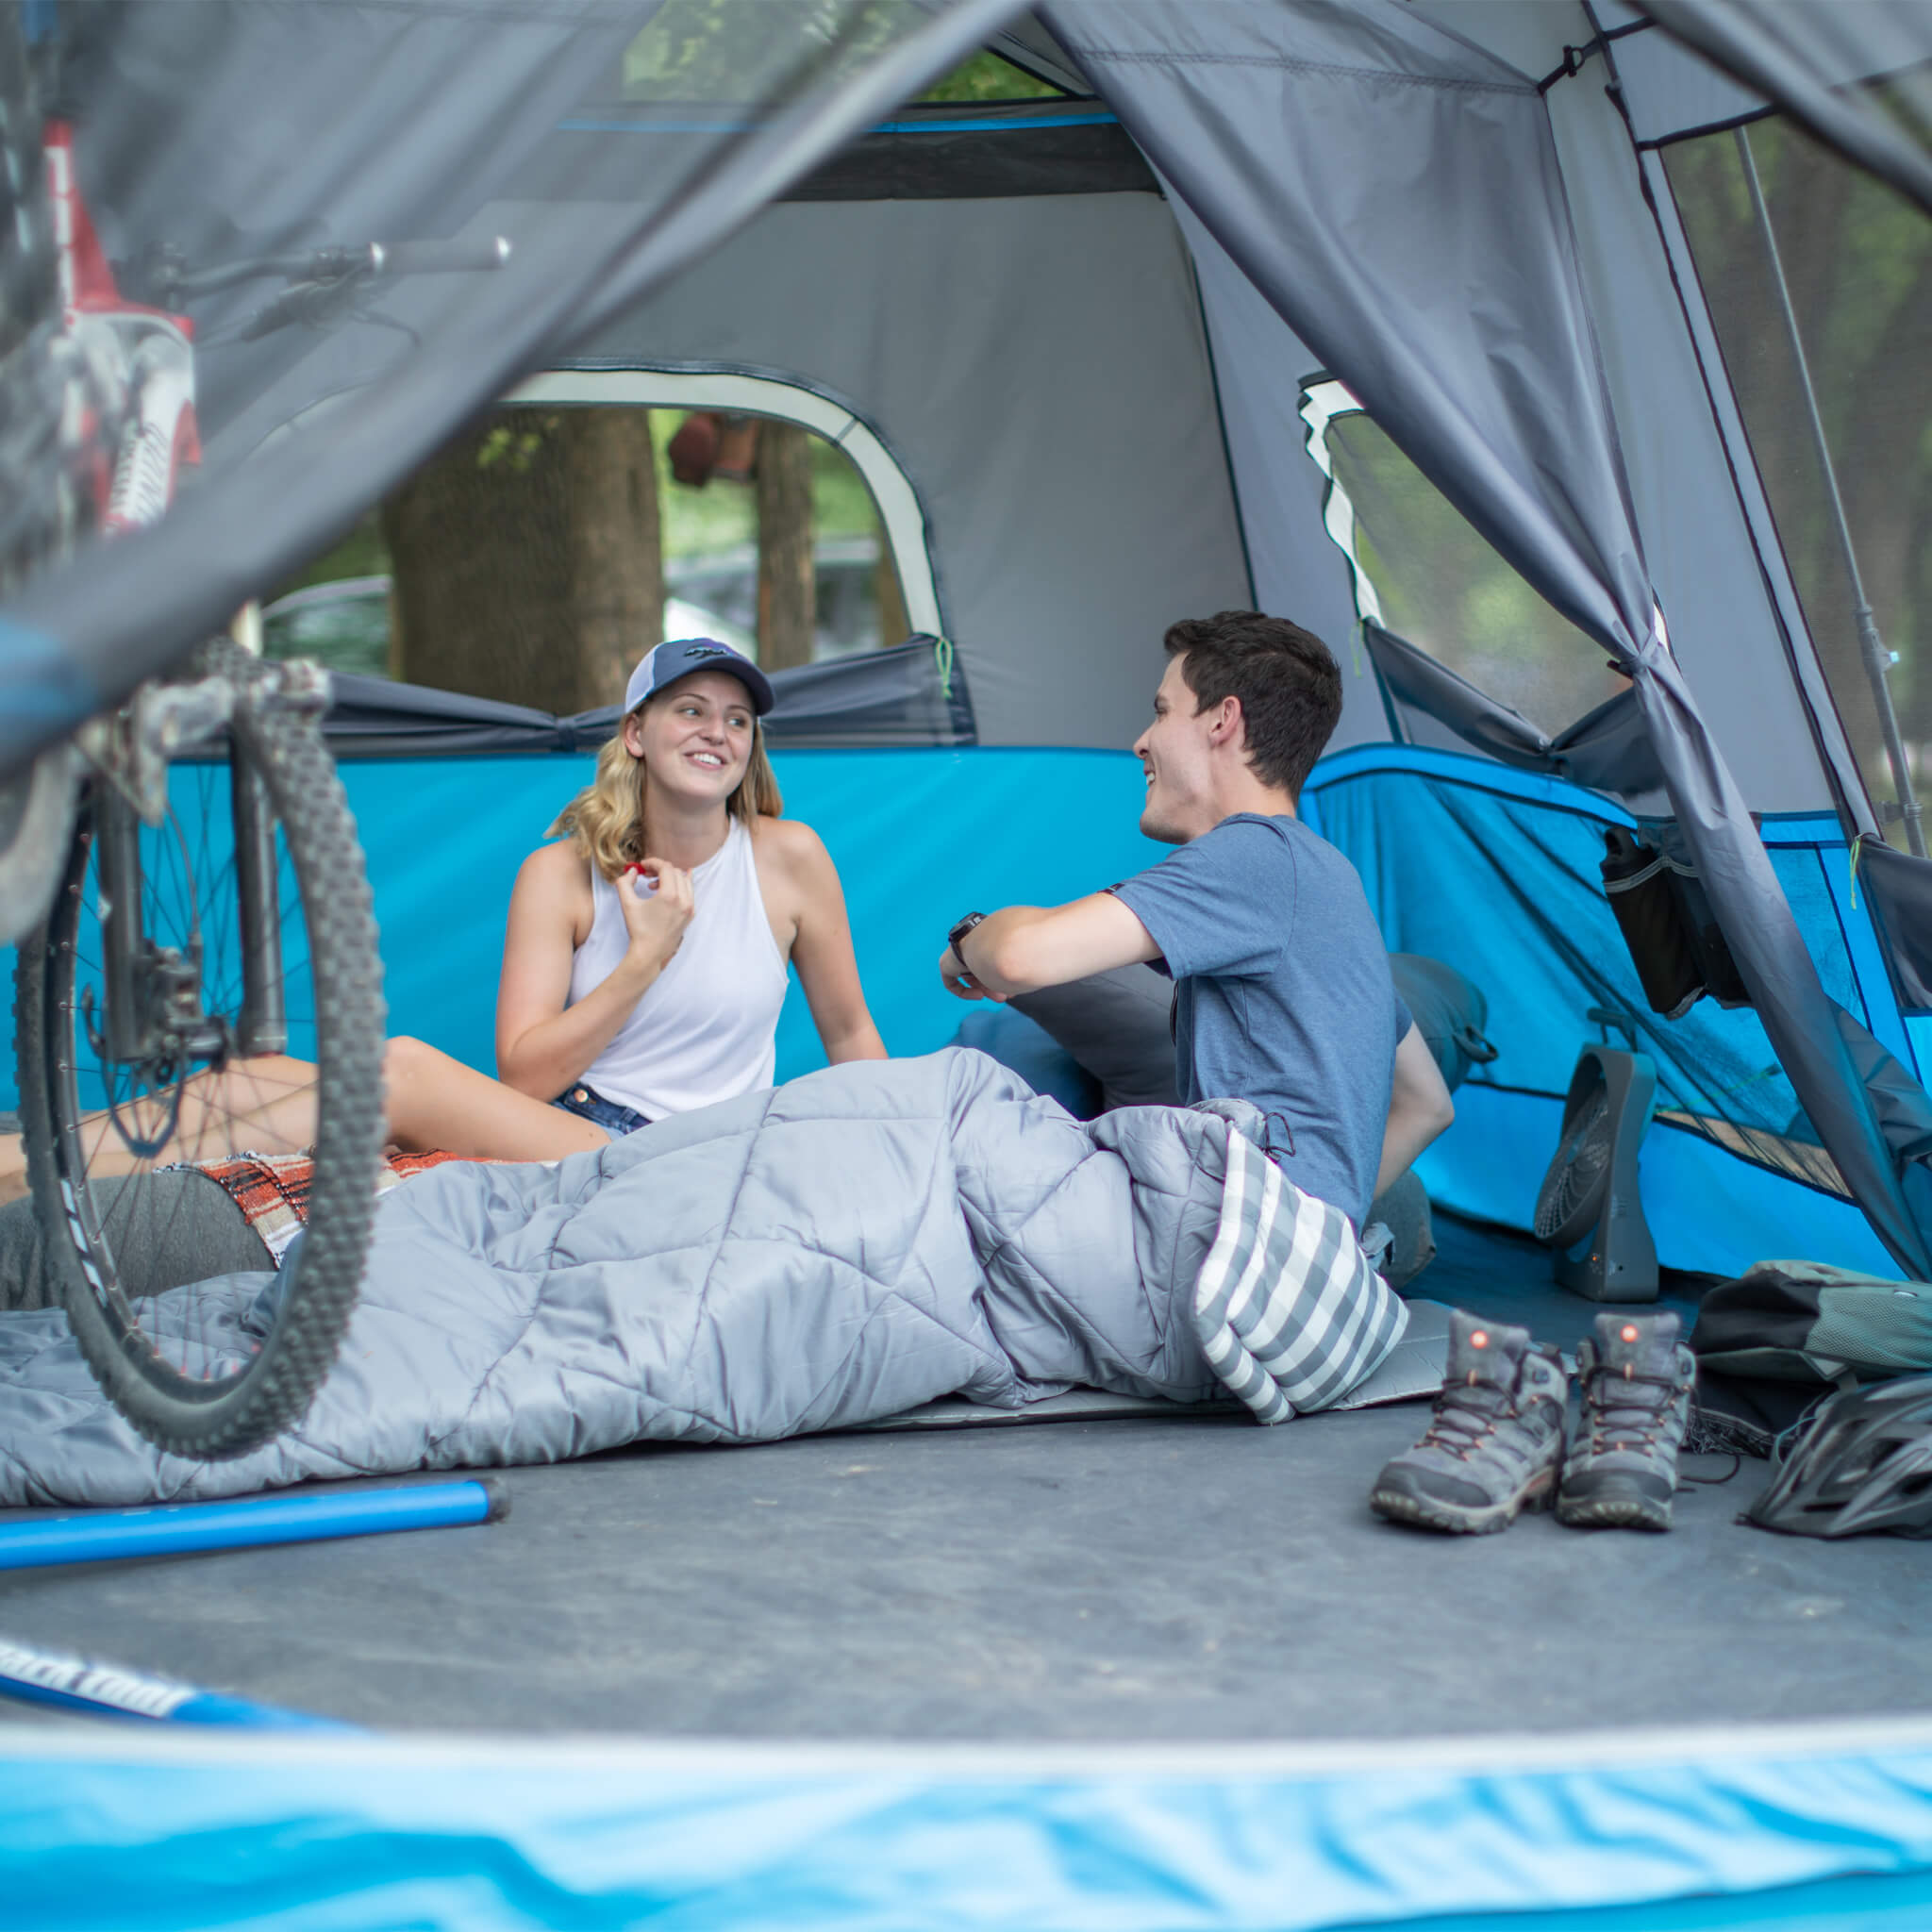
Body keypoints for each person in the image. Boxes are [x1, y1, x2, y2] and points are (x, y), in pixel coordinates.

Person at [0, 637, 887, 1213]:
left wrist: (899, 1148)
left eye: (737, 720)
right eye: (690, 709)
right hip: (571, 1125)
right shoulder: (562, 873)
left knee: (406, 1070)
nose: (717, 732)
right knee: (256, 1076)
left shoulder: (789, 858)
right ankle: (26, 1163)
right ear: (637, 734)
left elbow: (849, 1031)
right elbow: (527, 1075)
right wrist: (640, 961)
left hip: (679, 1158)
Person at [937, 609, 1453, 1235]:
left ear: (1222, 720)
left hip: (1217, 1262)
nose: (1141, 741)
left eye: (1160, 711)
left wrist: (969, 938)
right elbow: (1427, 1104)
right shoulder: (1327, 878)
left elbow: (1019, 957)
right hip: (1269, 1275)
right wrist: (1319, 1240)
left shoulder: (1253, 856)